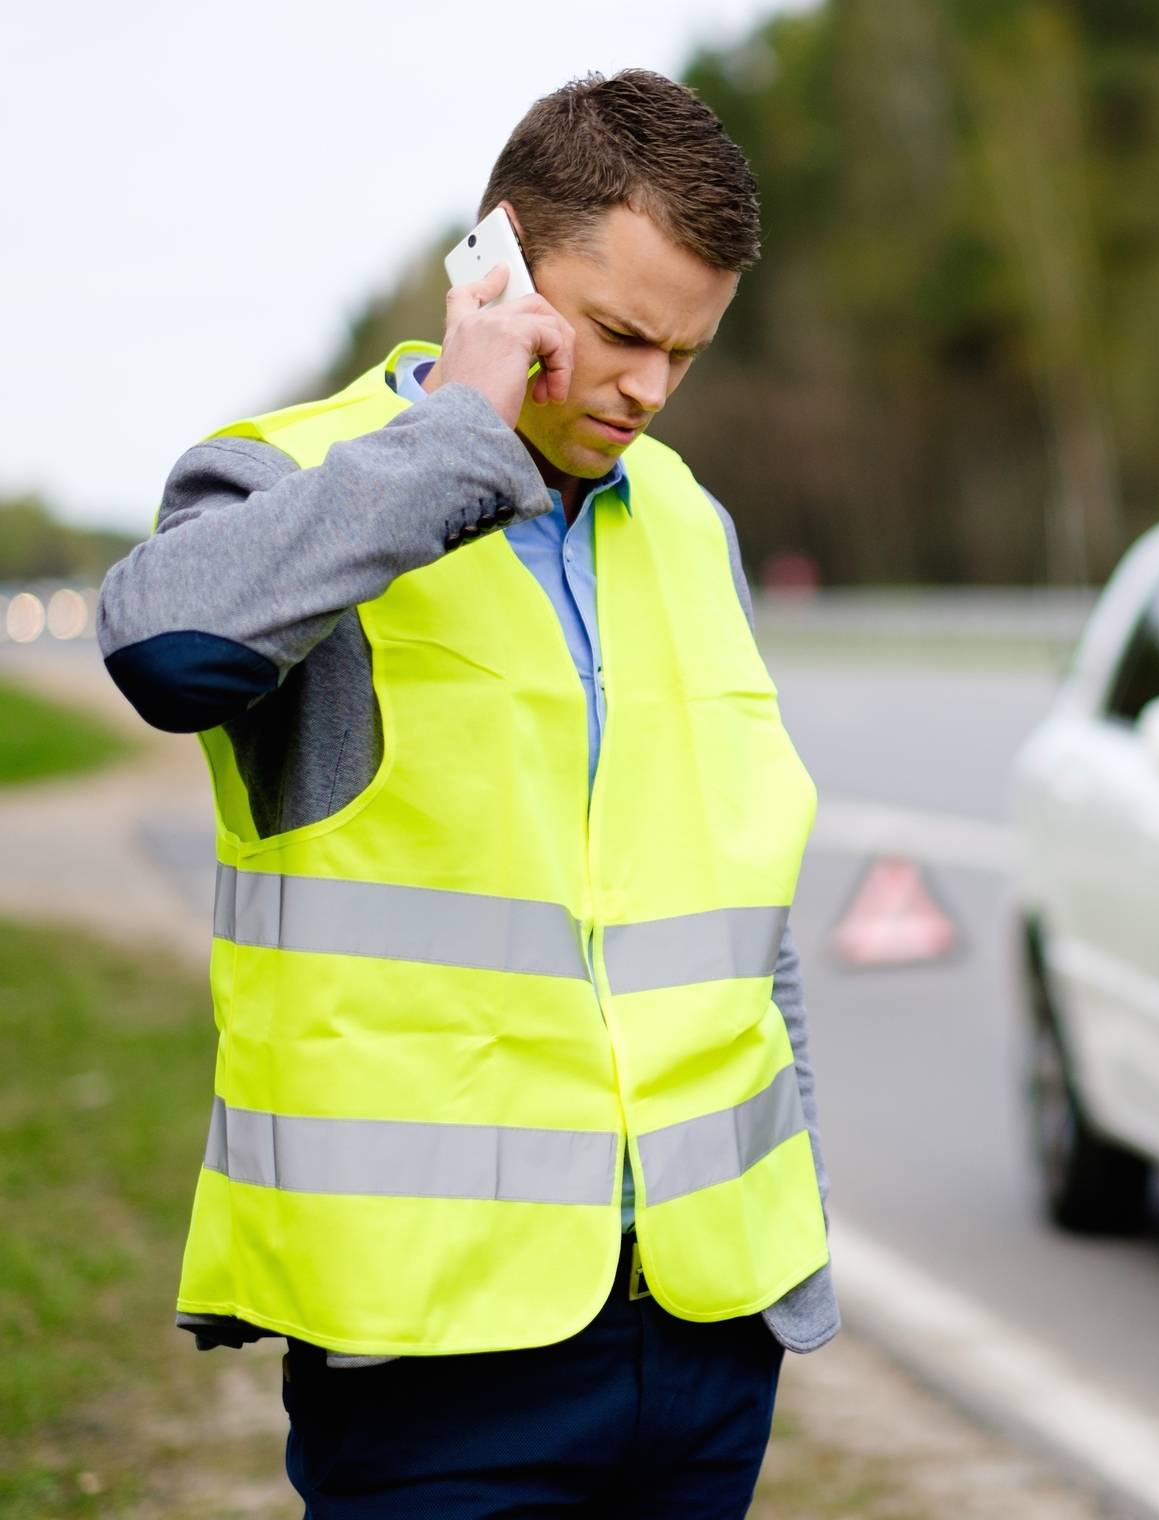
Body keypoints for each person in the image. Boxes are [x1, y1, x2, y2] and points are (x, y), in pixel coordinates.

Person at [95, 69, 836, 1518]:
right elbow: (165, 648)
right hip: (434, 1365)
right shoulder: (296, 482)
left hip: (705, 1344)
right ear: (495, 268)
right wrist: (462, 435)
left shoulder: (692, 527)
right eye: (620, 336)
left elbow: (743, 907)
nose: (647, 391)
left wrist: (791, 1253)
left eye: (686, 353)